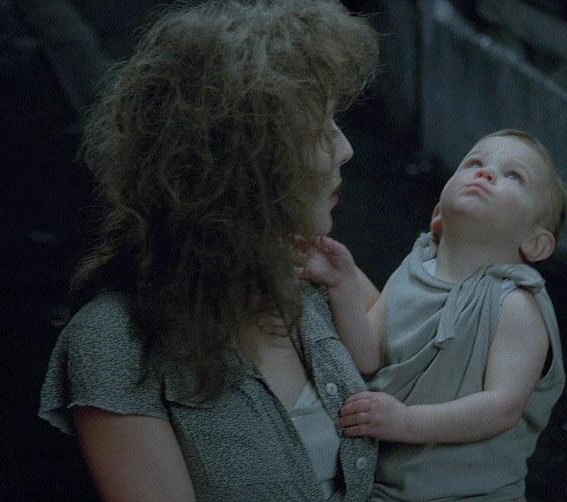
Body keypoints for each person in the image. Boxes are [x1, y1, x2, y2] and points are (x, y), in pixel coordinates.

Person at [38, 1, 381, 500]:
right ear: (242, 168)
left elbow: (438, 377)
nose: (345, 149)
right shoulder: (114, 343)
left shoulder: (321, 273)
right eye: (319, 130)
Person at [301, 129, 567, 501]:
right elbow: (369, 354)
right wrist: (342, 285)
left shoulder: (516, 305)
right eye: (474, 163)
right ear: (438, 214)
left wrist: (406, 422)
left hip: (477, 495)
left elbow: (502, 407)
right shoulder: (413, 270)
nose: (486, 173)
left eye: (514, 176)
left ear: (535, 243)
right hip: (388, 490)